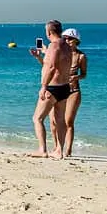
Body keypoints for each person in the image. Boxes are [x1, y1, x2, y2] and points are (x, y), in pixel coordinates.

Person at [27, 20, 73, 158]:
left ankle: (42, 150)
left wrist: (44, 86)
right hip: (64, 87)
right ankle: (59, 151)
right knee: (59, 120)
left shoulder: (54, 46)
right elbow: (52, 64)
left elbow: (52, 68)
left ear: (49, 32)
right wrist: (40, 56)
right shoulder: (66, 45)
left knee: (37, 118)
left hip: (52, 87)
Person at [62, 28, 87, 157]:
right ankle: (58, 147)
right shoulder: (61, 53)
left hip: (74, 91)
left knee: (68, 121)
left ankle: (68, 150)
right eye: (65, 38)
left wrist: (76, 77)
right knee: (56, 122)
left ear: (76, 40)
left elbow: (84, 74)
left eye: (69, 38)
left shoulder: (81, 56)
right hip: (59, 89)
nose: (67, 41)